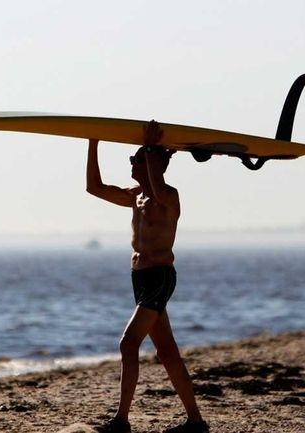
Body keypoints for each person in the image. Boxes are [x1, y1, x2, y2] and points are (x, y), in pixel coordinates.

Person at [86, 121, 209, 433]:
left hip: (159, 279)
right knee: (167, 352)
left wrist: (154, 150)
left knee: (128, 344)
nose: (131, 164)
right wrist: (93, 141)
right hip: (139, 280)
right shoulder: (136, 197)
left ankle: (121, 421)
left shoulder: (168, 197)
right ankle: (195, 422)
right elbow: (94, 188)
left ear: (151, 163)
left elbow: (158, 182)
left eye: (135, 159)